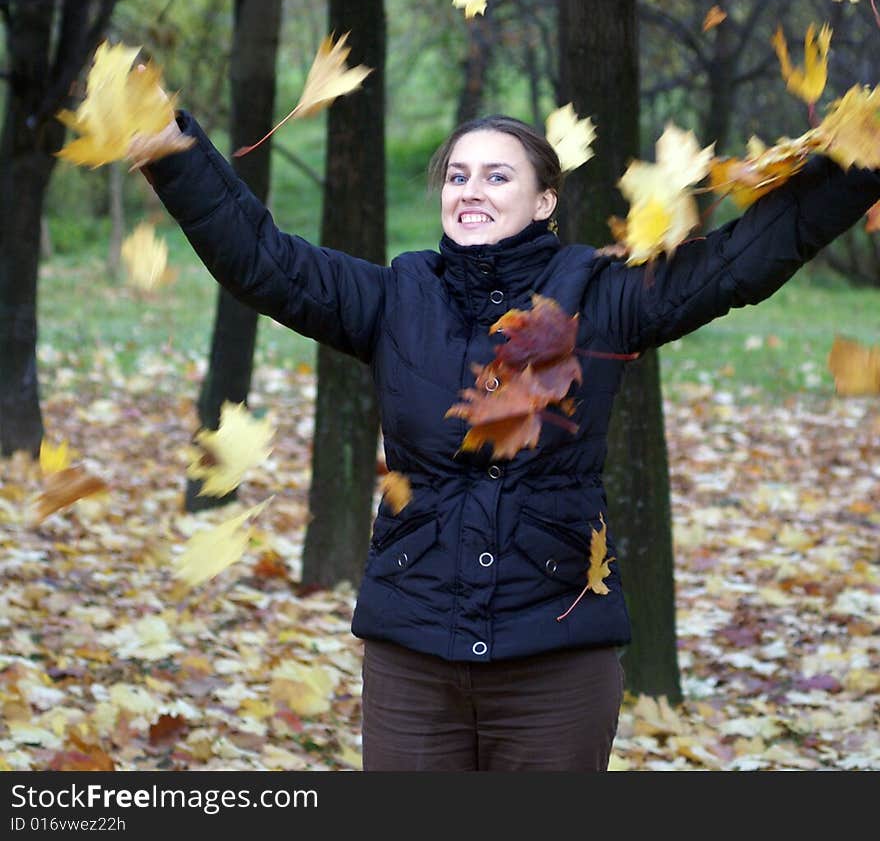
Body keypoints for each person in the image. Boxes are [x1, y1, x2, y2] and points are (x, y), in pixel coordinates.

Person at [130, 108, 880, 771]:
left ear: (544, 199)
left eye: (496, 174)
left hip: (554, 664)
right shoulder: (398, 294)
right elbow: (266, 263)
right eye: (457, 175)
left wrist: (864, 151)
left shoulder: (601, 294)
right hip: (413, 660)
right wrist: (179, 155)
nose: (471, 189)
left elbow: (740, 262)